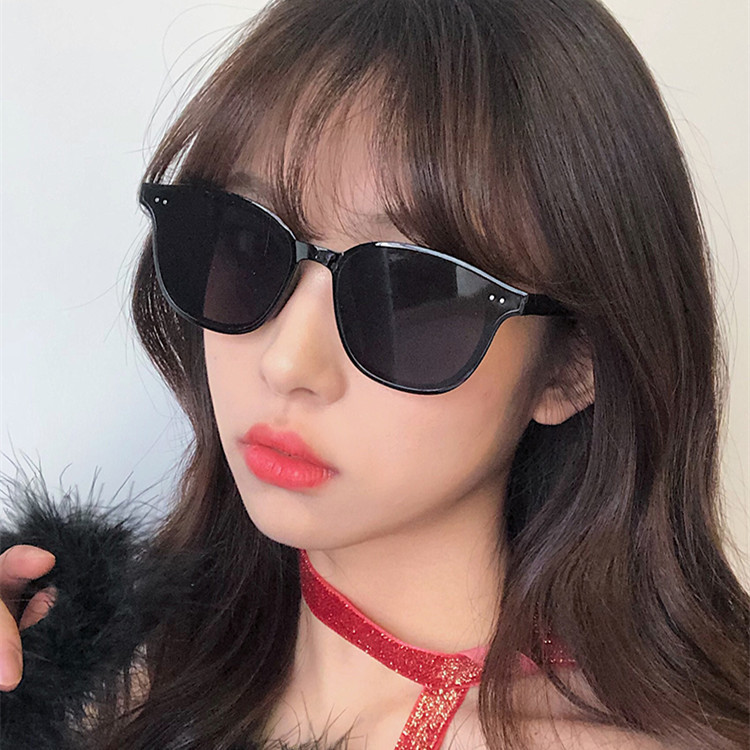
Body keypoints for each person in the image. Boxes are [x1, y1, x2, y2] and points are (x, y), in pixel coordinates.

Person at [0, 0, 748, 748]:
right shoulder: (100, 678)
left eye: (409, 291)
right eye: (246, 243)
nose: (287, 362)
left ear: (571, 367)